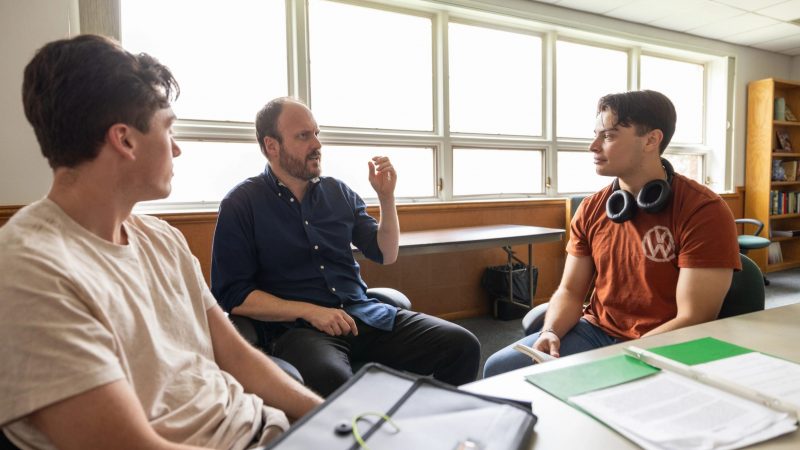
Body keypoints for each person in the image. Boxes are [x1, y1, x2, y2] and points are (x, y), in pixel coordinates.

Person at [0, 35, 322, 450]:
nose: (177, 148)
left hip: (266, 428)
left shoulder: (163, 239)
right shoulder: (30, 271)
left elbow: (236, 355)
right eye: (168, 128)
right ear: (125, 140)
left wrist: (330, 418)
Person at [211, 97, 481, 396]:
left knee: (462, 345)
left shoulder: (337, 191)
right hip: (300, 330)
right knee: (337, 384)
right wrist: (310, 311)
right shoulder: (241, 204)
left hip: (361, 315)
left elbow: (385, 253)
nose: (317, 143)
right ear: (271, 146)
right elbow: (232, 295)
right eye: (303, 136)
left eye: (316, 133)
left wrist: (386, 198)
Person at [483, 90, 741, 377]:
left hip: (664, 344)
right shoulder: (592, 208)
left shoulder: (703, 210)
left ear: (651, 140)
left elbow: (695, 317)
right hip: (595, 332)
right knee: (499, 369)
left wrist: (621, 359)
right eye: (596, 135)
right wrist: (552, 331)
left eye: (608, 136)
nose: (593, 146)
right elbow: (570, 291)